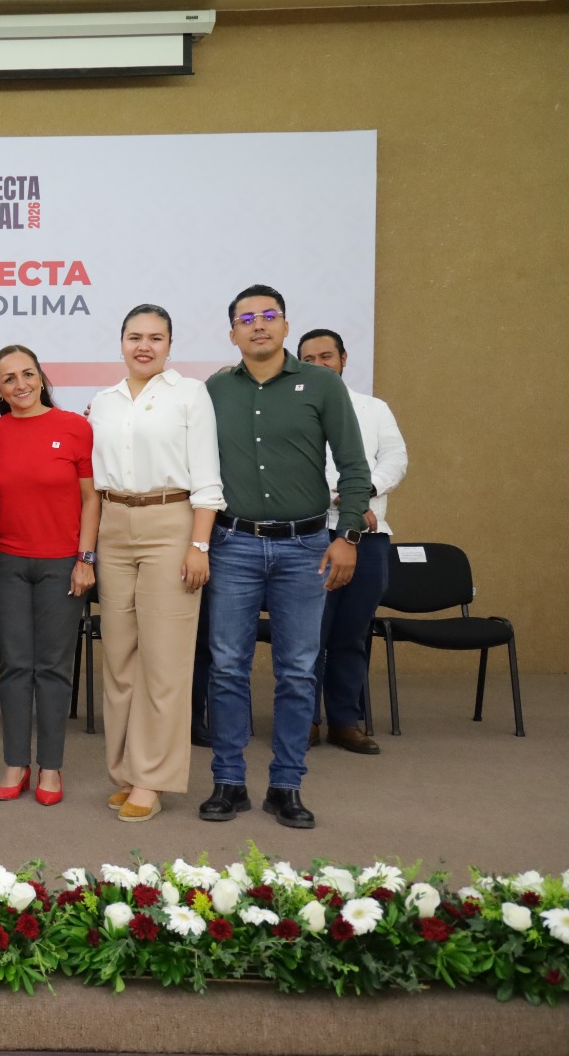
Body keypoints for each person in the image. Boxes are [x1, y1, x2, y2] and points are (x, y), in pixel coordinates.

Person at [199, 285, 371, 830]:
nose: (259, 324)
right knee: (228, 667)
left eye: (269, 315)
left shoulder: (321, 384)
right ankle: (228, 782)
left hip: (305, 549)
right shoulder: (213, 391)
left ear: (285, 325)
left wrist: (347, 536)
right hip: (233, 545)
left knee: (297, 671)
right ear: (232, 333)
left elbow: (354, 467)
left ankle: (286, 786)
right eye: (246, 318)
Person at [87, 306, 224, 822]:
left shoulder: (190, 394)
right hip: (114, 525)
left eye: (155, 337)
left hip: (171, 523)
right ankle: (125, 772)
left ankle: (152, 778)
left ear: (170, 344)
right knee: (119, 657)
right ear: (121, 342)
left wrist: (199, 545)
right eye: (134, 337)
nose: (144, 346)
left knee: (163, 661)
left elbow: (207, 476)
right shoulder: (103, 402)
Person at [0, 345, 97, 808]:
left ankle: (50, 765)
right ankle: (15, 763)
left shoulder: (74, 427)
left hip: (62, 564)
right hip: (4, 562)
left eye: (28, 374)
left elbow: (91, 499)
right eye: (9, 378)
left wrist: (86, 558)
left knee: (52, 667)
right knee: (14, 667)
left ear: (42, 378)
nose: (20, 384)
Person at [299, 328, 408, 755]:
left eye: (326, 356)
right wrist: (339, 497)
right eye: (308, 359)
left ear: (343, 359)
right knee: (310, 634)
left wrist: (361, 494)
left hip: (367, 536)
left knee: (352, 632)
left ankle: (345, 720)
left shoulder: (373, 409)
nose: (319, 365)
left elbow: (395, 459)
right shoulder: (293, 409)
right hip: (311, 533)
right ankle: (305, 720)